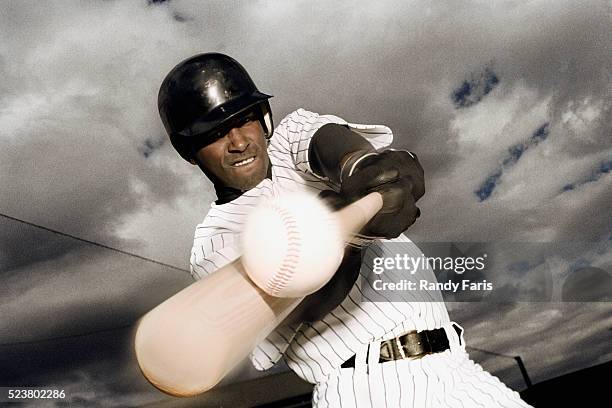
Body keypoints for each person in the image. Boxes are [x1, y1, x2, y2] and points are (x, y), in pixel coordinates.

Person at [158, 53, 531, 407]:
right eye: (216, 133)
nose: (238, 142)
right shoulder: (214, 243)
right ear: (189, 150)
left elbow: (329, 143)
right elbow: (302, 306)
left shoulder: (288, 142)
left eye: (243, 120)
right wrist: (351, 238)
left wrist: (365, 167)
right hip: (371, 387)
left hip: (459, 369)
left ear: (264, 118)